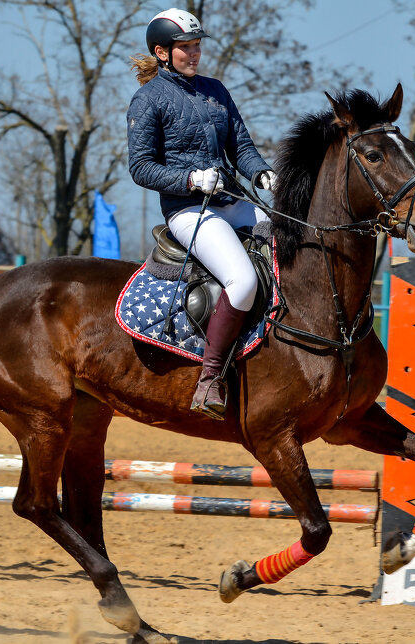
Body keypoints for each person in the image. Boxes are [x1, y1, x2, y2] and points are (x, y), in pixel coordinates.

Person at [127, 8, 277, 421]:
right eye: (185, 48)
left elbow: (241, 146)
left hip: (232, 201)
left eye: (196, 46)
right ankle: (210, 378)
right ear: (161, 52)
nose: (194, 54)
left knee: (292, 256)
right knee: (243, 280)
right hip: (189, 210)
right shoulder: (148, 99)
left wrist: (262, 171)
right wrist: (191, 179)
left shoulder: (215, 90)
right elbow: (141, 167)